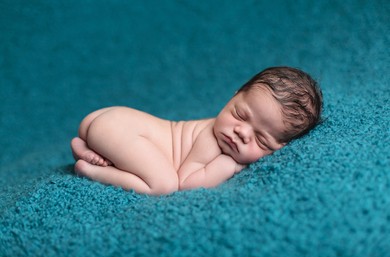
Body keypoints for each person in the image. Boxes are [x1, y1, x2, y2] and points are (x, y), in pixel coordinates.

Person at [71, 66, 323, 195]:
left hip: (113, 121)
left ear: (279, 148)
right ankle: (90, 169)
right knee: (163, 184)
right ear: (234, 96)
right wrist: (229, 165)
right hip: (119, 127)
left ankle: (91, 144)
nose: (241, 133)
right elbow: (187, 182)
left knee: (148, 164)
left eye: (261, 139)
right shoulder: (211, 139)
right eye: (239, 114)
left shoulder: (227, 133)